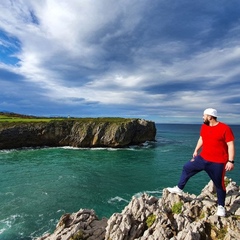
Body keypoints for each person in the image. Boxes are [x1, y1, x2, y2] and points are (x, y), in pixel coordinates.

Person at [167, 108, 235, 217]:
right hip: (202, 158)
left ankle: (221, 207)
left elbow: (230, 145)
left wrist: (230, 161)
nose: (202, 117)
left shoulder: (225, 128)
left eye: (204, 115)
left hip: (218, 162)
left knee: (219, 184)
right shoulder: (204, 127)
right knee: (187, 167)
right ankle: (179, 188)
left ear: (210, 117)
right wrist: (196, 150)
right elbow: (201, 138)